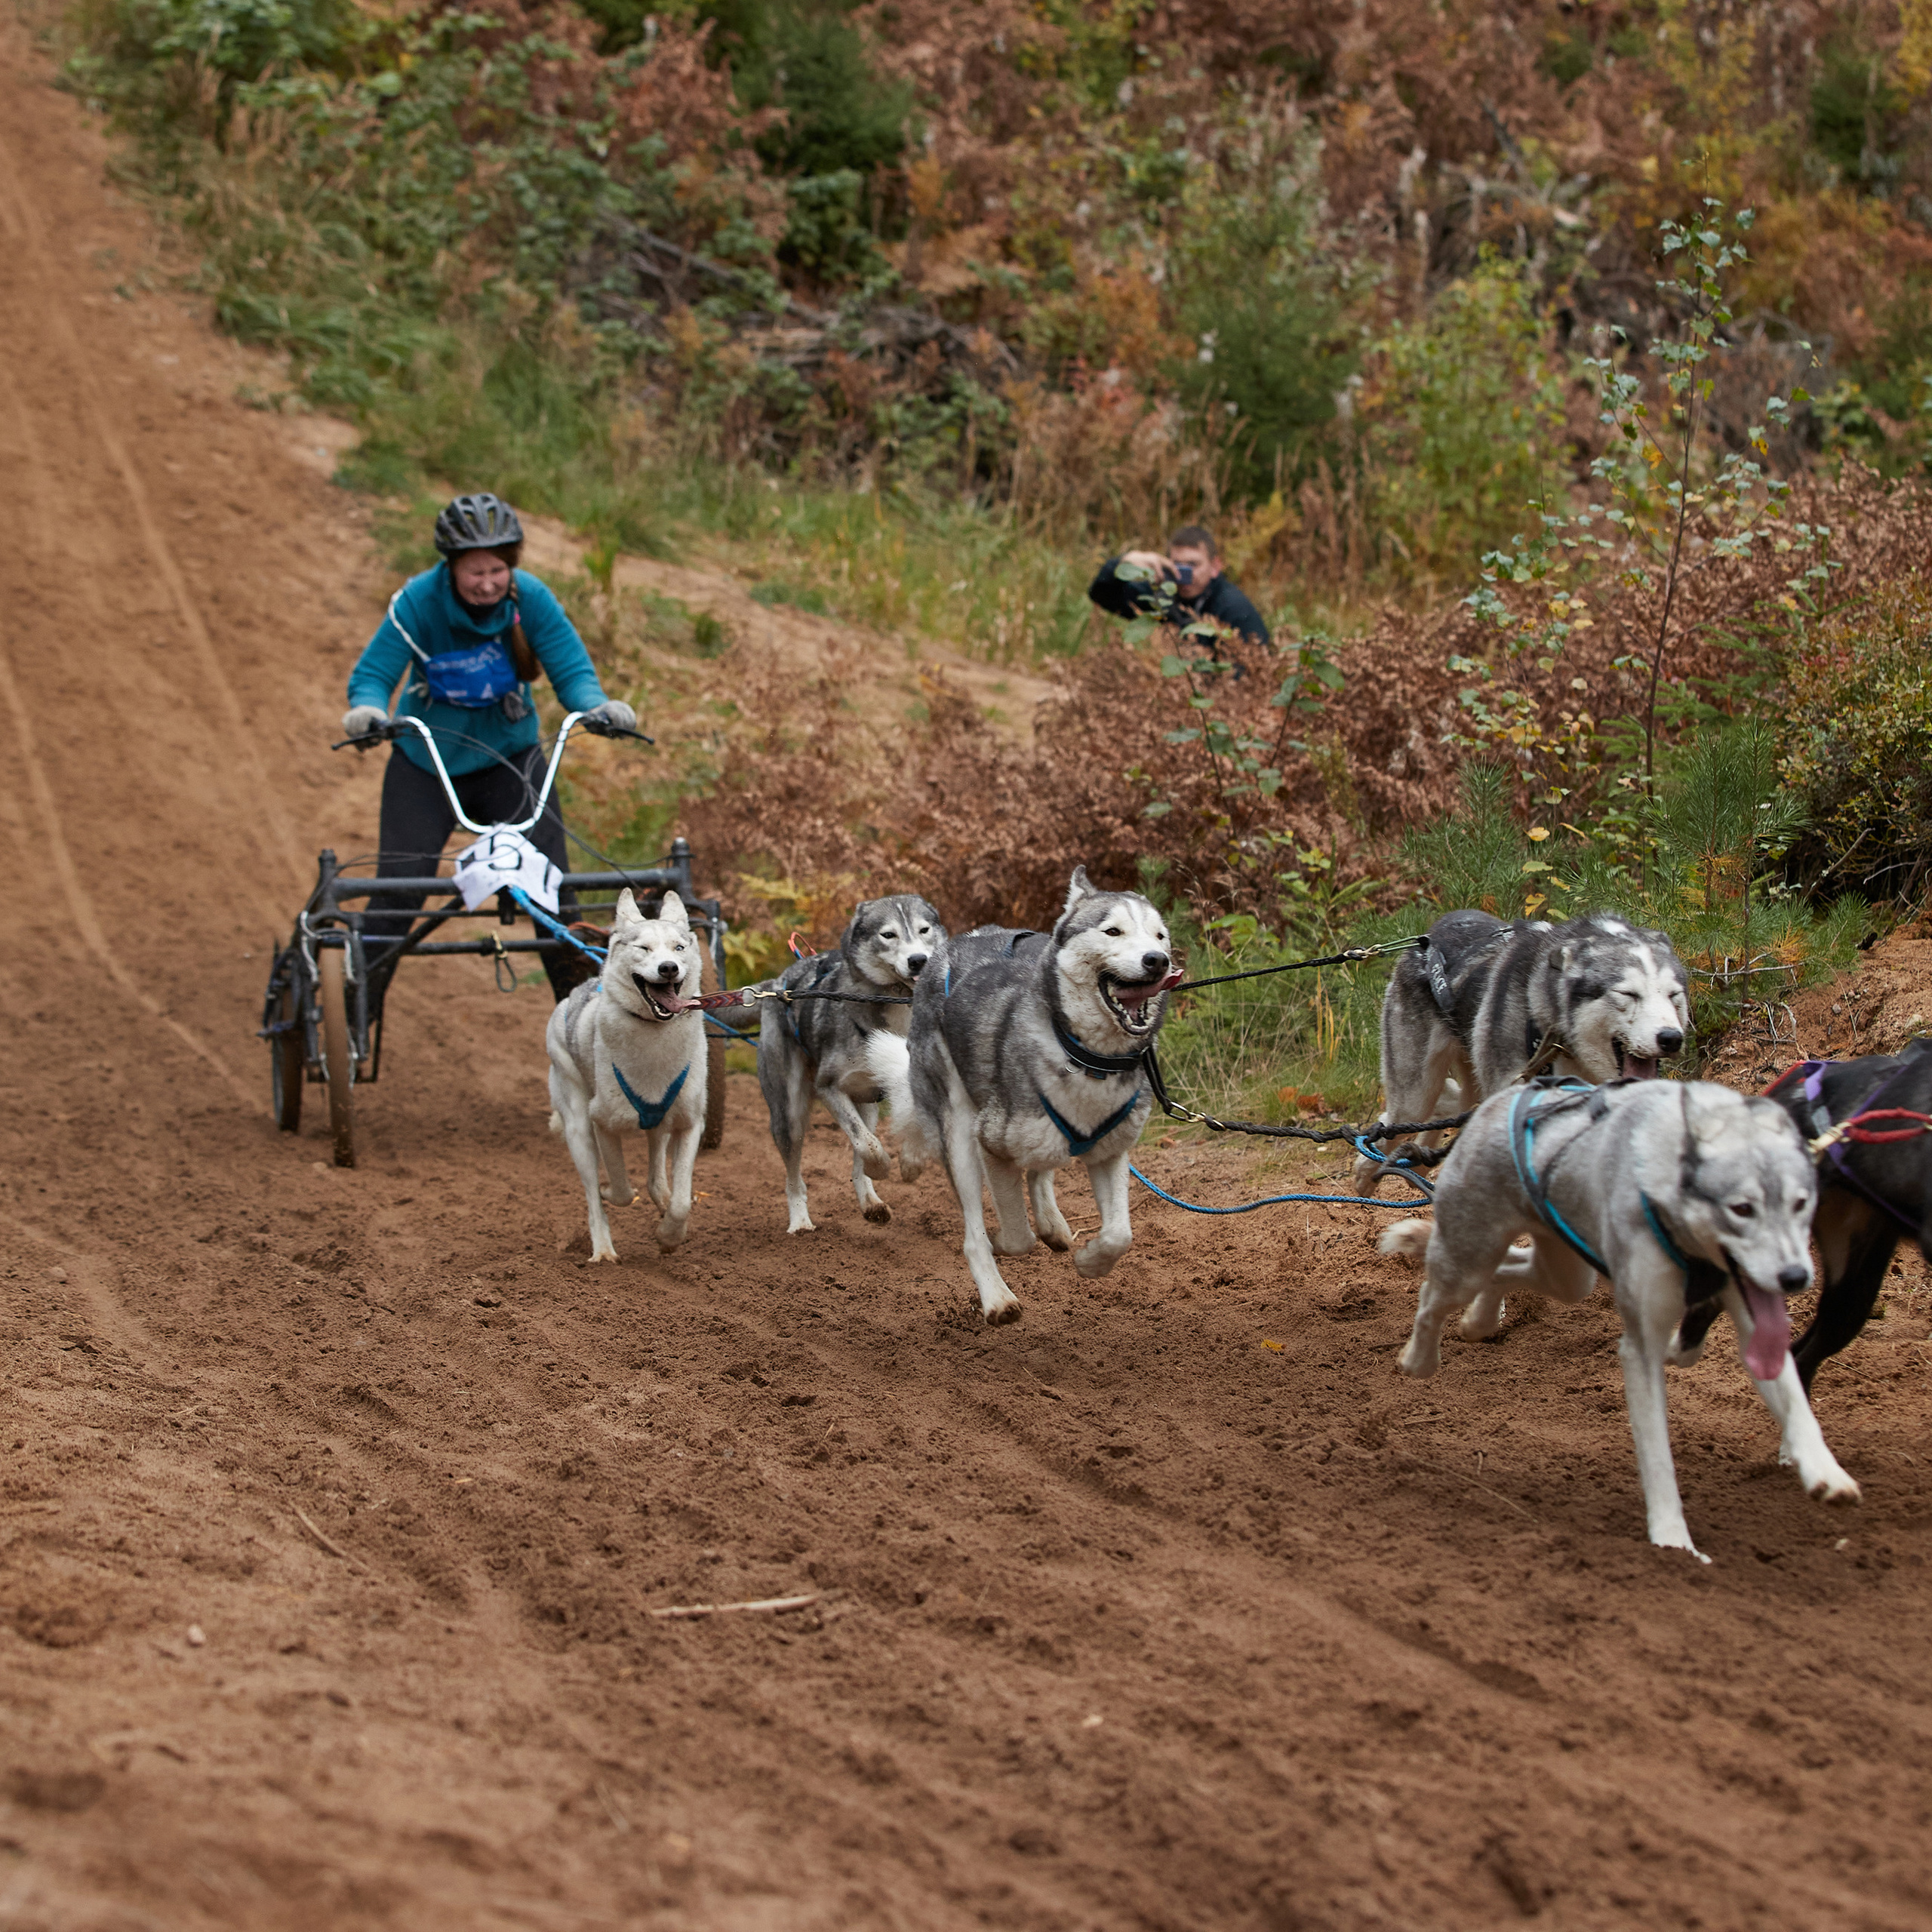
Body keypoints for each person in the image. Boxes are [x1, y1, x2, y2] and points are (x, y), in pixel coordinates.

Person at [341, 492, 635, 1002]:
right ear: (451, 568)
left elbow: (572, 672)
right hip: (427, 765)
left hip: (511, 763)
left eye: (497, 570)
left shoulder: (531, 599)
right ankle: (352, 1009)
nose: (487, 583)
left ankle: (583, 1018)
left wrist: (598, 707)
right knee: (398, 893)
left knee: (555, 892)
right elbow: (374, 674)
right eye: (474, 572)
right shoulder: (418, 602)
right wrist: (367, 711)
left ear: (512, 565)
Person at [1086, 524, 1272, 657]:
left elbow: (1254, 669)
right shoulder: (1165, 595)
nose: (1184, 574)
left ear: (1215, 567)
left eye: (1193, 565)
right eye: (1178, 565)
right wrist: (1126, 561)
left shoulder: (1233, 608)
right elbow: (1101, 594)